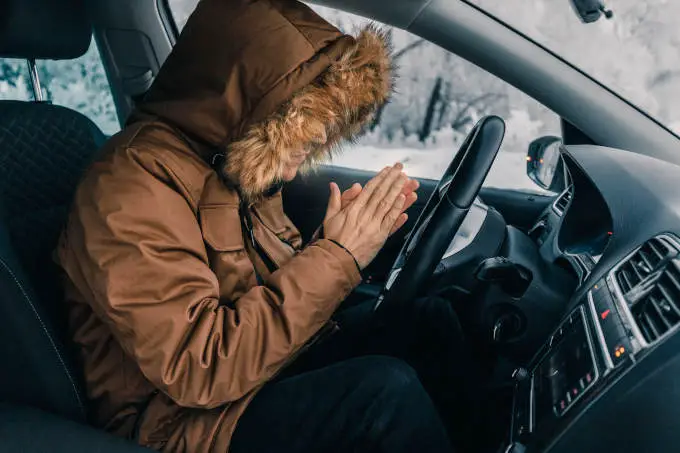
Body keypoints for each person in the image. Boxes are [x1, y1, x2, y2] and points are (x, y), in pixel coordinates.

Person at [57, 0, 480, 452]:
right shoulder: (129, 187)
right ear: (252, 106)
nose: (311, 149)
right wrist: (338, 257)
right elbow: (199, 367)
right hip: (181, 423)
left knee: (429, 322)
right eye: (305, 126)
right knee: (382, 394)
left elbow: (266, 291)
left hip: (257, 373)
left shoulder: (233, 161)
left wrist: (329, 245)